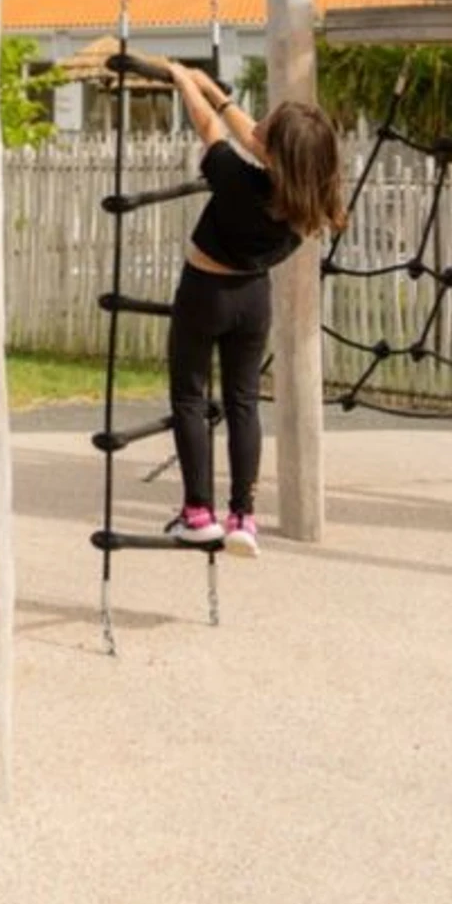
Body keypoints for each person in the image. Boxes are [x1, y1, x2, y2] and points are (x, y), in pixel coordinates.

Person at [149, 57, 345, 557]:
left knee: (190, 398)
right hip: (253, 301)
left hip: (204, 293)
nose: (258, 126)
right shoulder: (304, 203)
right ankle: (243, 516)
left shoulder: (237, 180)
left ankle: (198, 512)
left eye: (267, 126)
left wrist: (184, 82)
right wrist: (217, 92)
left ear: (275, 153)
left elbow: (209, 129)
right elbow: (251, 136)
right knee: (243, 403)